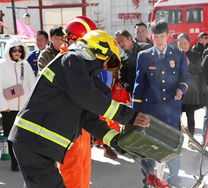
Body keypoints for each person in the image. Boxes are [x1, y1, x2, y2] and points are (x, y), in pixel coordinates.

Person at [8, 30, 151, 188]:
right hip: (33, 141)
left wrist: (117, 141)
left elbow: (88, 119)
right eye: (109, 62)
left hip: (37, 143)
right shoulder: (72, 60)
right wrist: (129, 116)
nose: (105, 67)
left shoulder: (80, 75)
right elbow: (88, 97)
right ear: (100, 50)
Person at [133, 21, 191, 188]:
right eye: (156, 37)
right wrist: (135, 113)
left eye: (162, 36)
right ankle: (149, 181)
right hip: (150, 111)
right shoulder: (144, 56)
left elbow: (185, 77)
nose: (159, 40)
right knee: (148, 149)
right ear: (152, 37)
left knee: (172, 147)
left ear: (168, 36)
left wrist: (181, 89)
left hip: (172, 111)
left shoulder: (177, 54)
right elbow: (139, 85)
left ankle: (173, 181)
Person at [59, 16, 97, 188]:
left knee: (82, 168)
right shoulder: (68, 62)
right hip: (70, 127)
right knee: (73, 170)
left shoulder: (76, 62)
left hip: (81, 127)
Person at [0, 38, 36, 171]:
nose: (17, 53)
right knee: (11, 136)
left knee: (24, 137)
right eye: (14, 50)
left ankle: (23, 161)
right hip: (8, 109)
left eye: (20, 50)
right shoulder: (2, 65)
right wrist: (4, 106)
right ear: (9, 51)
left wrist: (32, 104)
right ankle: (14, 163)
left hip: (23, 108)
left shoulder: (25, 65)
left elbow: (32, 85)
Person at [177, 33, 202, 140]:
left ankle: (191, 139)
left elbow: (199, 71)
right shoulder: (174, 55)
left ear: (189, 43)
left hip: (190, 91)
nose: (182, 45)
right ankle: (177, 138)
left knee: (190, 116)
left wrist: (189, 64)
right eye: (180, 43)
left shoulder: (195, 55)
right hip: (177, 91)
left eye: (185, 43)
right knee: (176, 116)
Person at [117, 30, 151, 94]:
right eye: (118, 43)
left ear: (129, 38)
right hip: (135, 93)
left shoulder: (146, 48)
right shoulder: (122, 58)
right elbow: (122, 77)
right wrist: (126, 86)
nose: (121, 44)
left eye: (122, 41)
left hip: (150, 91)